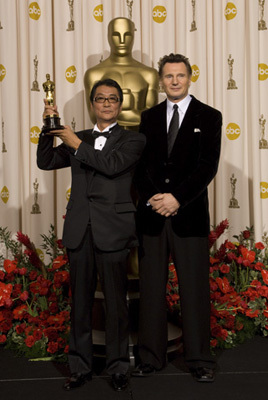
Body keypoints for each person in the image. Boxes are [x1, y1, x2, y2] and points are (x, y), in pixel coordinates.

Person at [37, 78, 146, 392]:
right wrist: (48, 127)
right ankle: (80, 367)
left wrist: (73, 142)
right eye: (101, 99)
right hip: (79, 230)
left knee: (115, 304)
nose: (107, 103)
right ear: (93, 104)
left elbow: (111, 166)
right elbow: (46, 161)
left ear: (120, 103)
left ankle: (117, 368)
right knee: (80, 303)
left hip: (113, 230)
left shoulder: (133, 140)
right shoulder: (78, 137)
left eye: (113, 98)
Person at [132, 53, 222, 382]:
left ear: (189, 77)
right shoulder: (149, 116)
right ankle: (150, 358)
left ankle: (199, 360)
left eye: (180, 76)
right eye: (168, 76)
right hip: (153, 215)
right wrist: (155, 198)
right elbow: (140, 166)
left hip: (189, 215)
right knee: (152, 288)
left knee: (194, 289)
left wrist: (177, 199)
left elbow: (206, 167)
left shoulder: (210, 116)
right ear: (160, 80)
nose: (174, 81)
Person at [84, 17, 159, 129]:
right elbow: (94, 116)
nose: (122, 40)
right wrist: (133, 113)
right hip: (107, 143)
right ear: (108, 36)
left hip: (141, 142)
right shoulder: (94, 74)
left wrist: (110, 113)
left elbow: (150, 117)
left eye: (127, 35)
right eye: (116, 35)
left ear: (133, 37)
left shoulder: (149, 74)